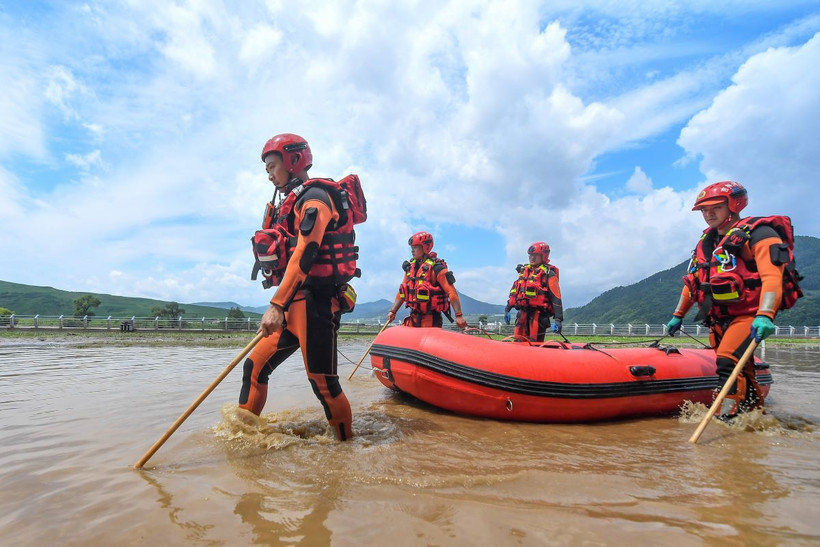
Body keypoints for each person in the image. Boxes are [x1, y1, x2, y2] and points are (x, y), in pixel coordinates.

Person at [240, 133, 367, 441]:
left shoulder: (315, 198)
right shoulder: (287, 204)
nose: (269, 173)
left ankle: (346, 447)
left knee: (323, 383)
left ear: (293, 161)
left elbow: (306, 253)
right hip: (291, 305)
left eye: (273, 166)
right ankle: (242, 439)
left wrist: (276, 305)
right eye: (266, 168)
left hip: (314, 304)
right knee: (253, 368)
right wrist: (282, 304)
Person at [665, 180, 802, 419]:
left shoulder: (760, 234)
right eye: (704, 210)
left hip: (750, 315)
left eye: (715, 207)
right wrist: (677, 316)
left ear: (734, 204)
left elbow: (772, 277)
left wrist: (765, 315)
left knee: (728, 362)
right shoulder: (706, 243)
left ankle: (729, 419)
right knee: (744, 369)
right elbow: (694, 282)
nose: (708, 214)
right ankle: (755, 418)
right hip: (719, 319)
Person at [386, 231, 469, 329]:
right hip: (414, 317)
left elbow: (452, 292)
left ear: (425, 247)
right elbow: (402, 292)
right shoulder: (410, 269)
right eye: (412, 248)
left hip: (431, 319)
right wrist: (393, 311)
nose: (412, 251)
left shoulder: (437, 269)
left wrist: (459, 316)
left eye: (415, 247)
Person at [504, 242, 564, 342]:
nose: (532, 258)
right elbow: (515, 293)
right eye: (530, 255)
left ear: (543, 256)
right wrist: (507, 309)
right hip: (522, 314)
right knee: (518, 341)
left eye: (535, 255)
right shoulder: (524, 271)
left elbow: (556, 297)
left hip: (538, 317)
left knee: (534, 342)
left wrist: (558, 319)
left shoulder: (549, 274)